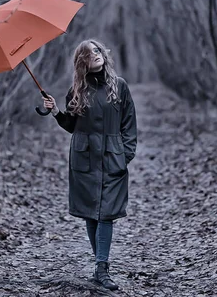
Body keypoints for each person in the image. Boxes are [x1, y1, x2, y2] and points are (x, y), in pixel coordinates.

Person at [42, 39, 137, 291]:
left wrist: (124, 155)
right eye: (88, 53)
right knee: (90, 212)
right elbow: (71, 126)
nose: (95, 55)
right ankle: (101, 267)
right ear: (81, 61)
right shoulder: (76, 90)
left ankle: (101, 269)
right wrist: (55, 112)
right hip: (84, 159)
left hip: (112, 158)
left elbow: (129, 125)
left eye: (97, 50)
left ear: (104, 54)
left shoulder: (120, 86)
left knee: (106, 213)